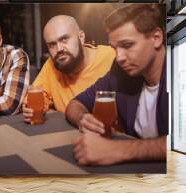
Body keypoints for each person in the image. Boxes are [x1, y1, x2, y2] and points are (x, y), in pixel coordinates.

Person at [65, 4, 168, 166]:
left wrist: (118, 150)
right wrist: (83, 118)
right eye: (115, 48)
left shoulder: (184, 72)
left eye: (127, 45)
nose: (119, 57)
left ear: (156, 38)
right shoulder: (121, 71)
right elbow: (75, 104)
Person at [22, 15, 115, 123]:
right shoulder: (52, 65)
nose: (59, 49)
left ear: (81, 37)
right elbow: (39, 95)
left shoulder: (111, 56)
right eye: (52, 44)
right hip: (69, 134)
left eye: (64, 39)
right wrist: (32, 107)